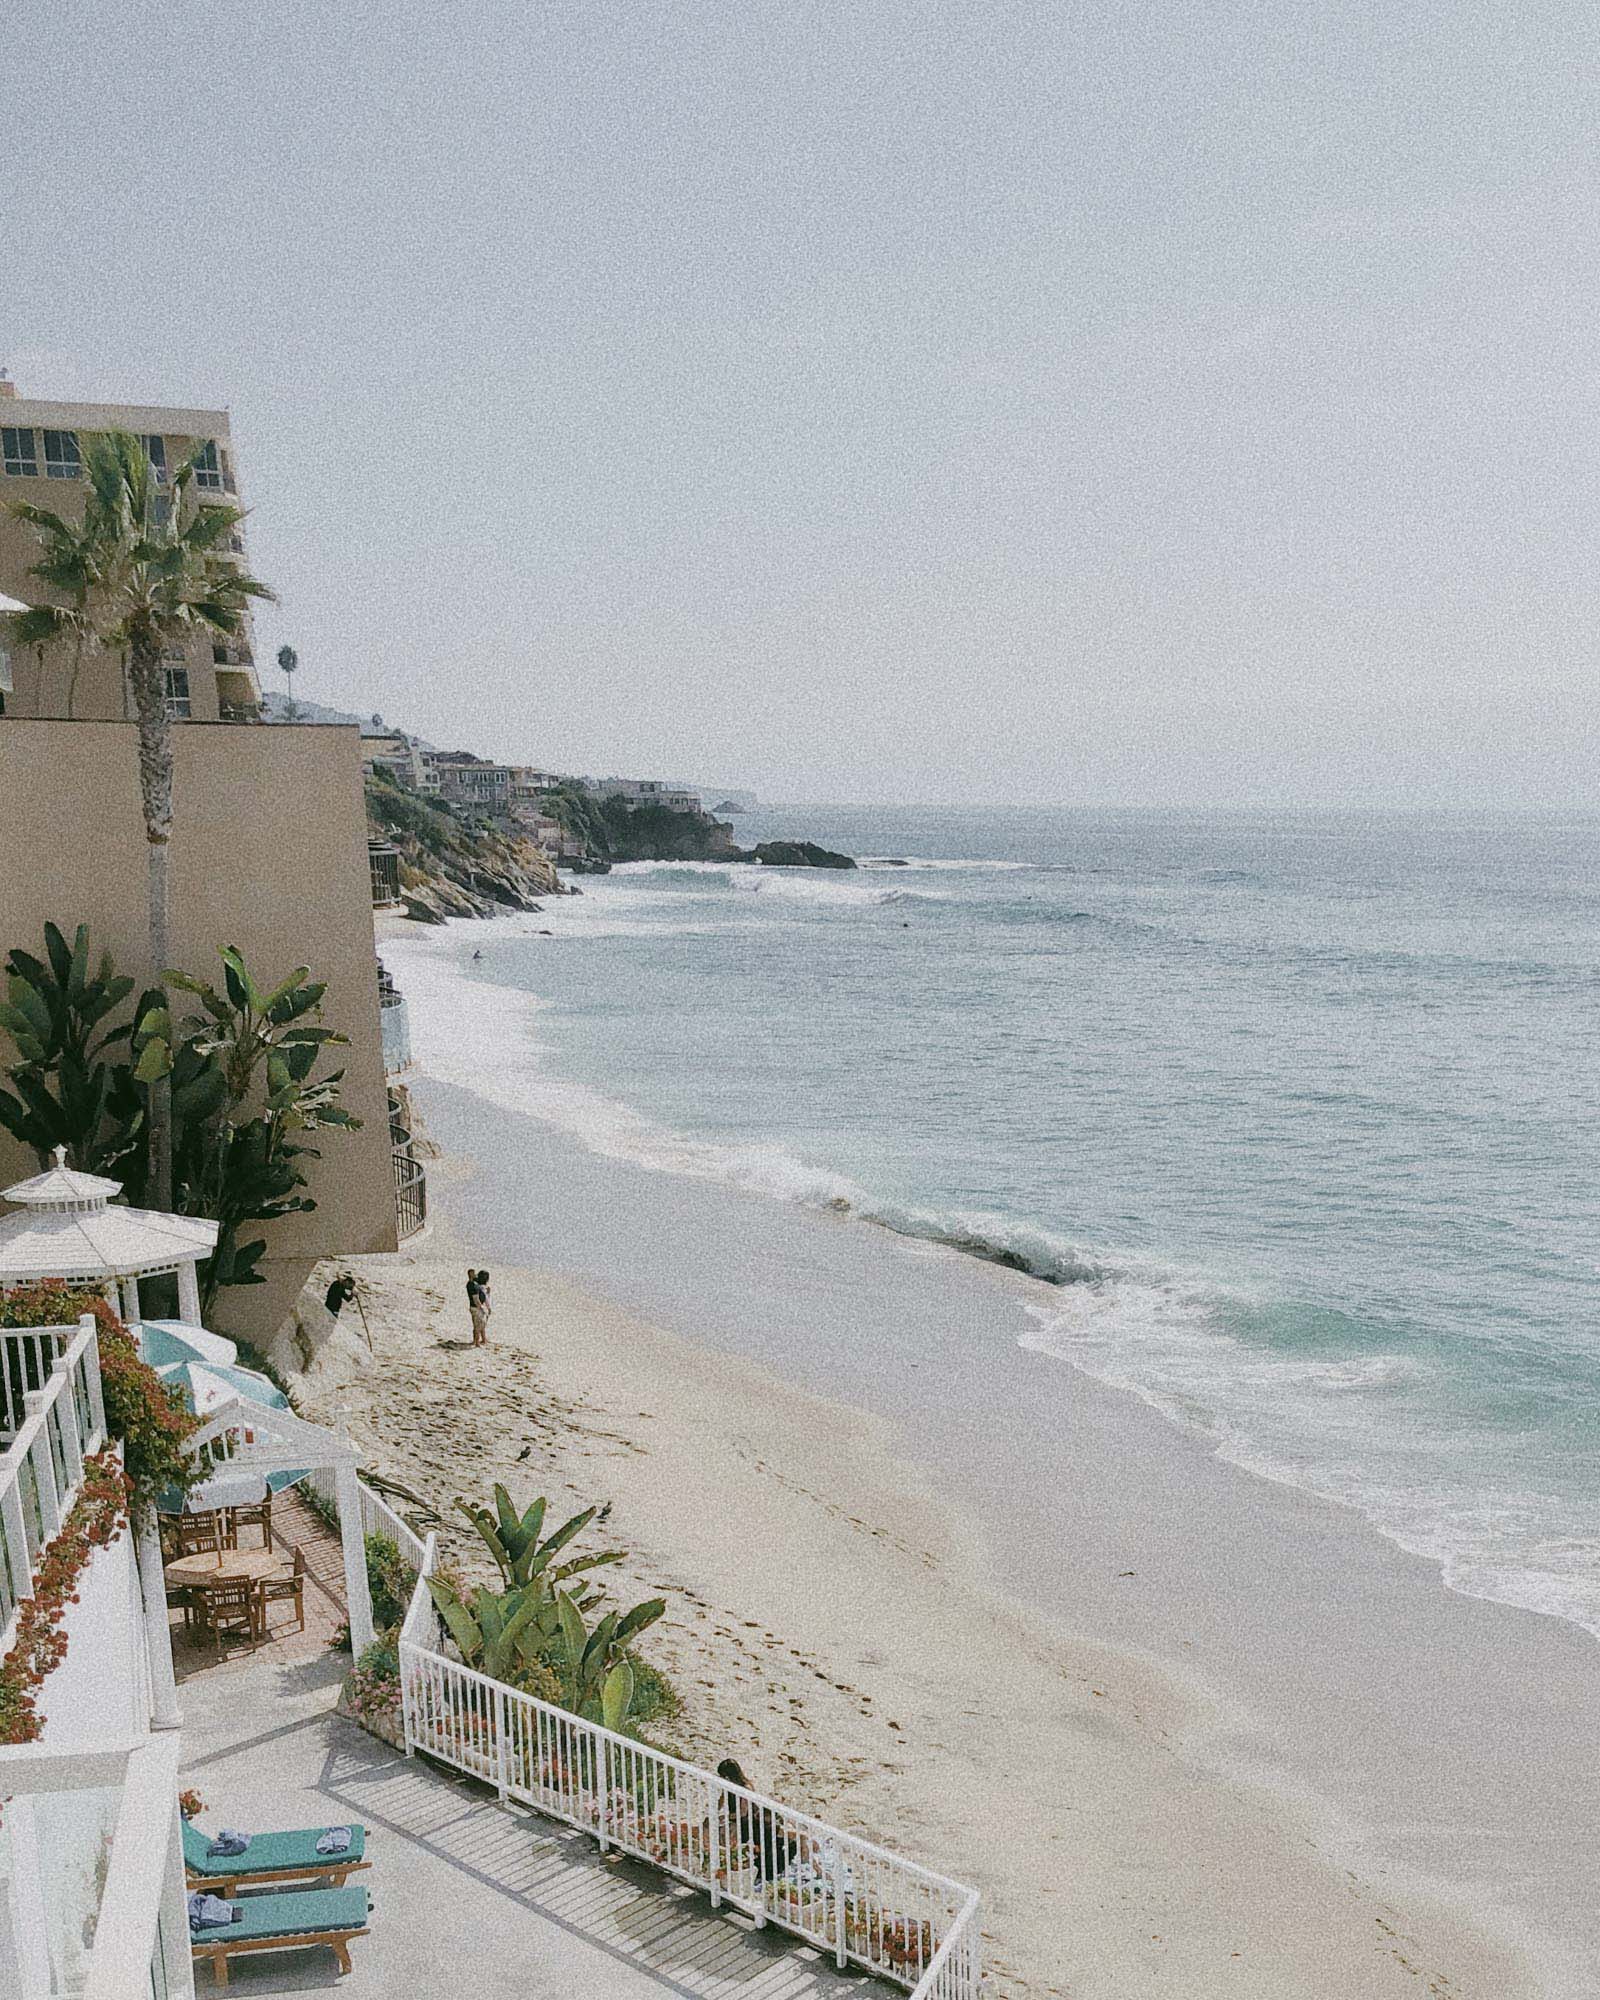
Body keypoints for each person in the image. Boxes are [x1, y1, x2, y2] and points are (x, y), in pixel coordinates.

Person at [715, 1760, 798, 1883]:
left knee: (764, 1849)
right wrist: (715, 1811)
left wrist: (725, 1817)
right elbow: (721, 1801)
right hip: (741, 1821)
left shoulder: (745, 1787)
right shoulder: (728, 1786)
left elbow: (743, 1812)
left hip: (751, 1822)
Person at [467, 1268, 492, 1346]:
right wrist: (483, 1308)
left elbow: (484, 1297)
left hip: (477, 1306)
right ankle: (476, 1342)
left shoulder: (476, 1285)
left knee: (480, 1325)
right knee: (478, 1326)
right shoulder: (474, 1286)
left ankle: (483, 1339)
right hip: (477, 1307)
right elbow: (477, 1299)